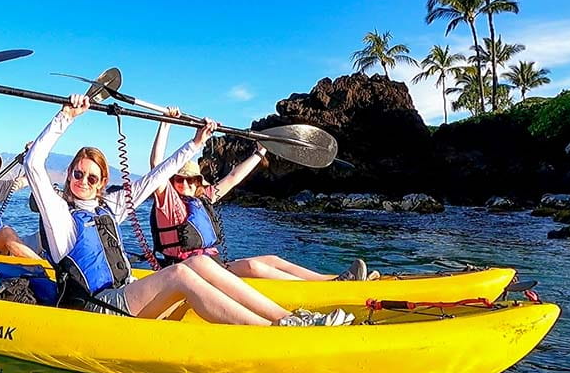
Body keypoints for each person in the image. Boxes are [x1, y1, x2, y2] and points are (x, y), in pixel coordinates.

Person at [24, 94, 353, 327]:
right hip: (96, 311)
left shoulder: (110, 206)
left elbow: (157, 175)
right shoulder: (60, 219)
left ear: (102, 182)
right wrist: (65, 117)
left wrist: (196, 143)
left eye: (91, 176)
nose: (82, 180)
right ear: (68, 176)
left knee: (197, 262)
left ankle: (288, 318)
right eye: (77, 174)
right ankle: (274, 332)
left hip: (123, 296)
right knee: (181, 272)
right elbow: (34, 164)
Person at [148, 110, 371, 281]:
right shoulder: (168, 203)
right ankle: (316, 289)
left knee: (271, 260)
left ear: (198, 182)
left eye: (191, 180)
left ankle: (328, 280)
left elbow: (234, 177)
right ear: (172, 181)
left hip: (212, 266)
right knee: (253, 268)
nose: (185, 183)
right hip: (189, 272)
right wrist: (165, 124)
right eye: (179, 179)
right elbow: (156, 166)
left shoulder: (203, 198)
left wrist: (260, 152)